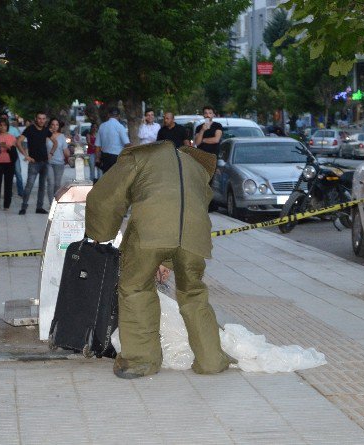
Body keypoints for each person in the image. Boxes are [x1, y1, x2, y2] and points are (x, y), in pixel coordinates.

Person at [85, 140, 232, 379]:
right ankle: (212, 360)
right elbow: (186, 212)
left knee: (135, 289)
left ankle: (140, 361)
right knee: (193, 294)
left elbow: (104, 197)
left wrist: (99, 235)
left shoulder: (140, 157)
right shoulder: (196, 168)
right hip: (195, 237)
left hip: (149, 233)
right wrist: (168, 261)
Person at [16, 111, 54, 215]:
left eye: (43, 118)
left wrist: (51, 153)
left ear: (45, 119)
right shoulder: (30, 129)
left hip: (45, 162)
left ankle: (39, 207)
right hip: (34, 163)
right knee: (29, 186)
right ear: (36, 119)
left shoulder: (46, 130)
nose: (41, 120)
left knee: (42, 186)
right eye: (39, 118)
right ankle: (23, 207)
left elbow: (55, 142)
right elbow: (18, 142)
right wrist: (26, 156)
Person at [0, 118, 17, 211]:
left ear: (7, 126)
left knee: (8, 184)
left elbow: (14, 151)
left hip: (9, 163)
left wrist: (7, 147)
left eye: (5, 125)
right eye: (1, 125)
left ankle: (7, 205)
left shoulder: (12, 137)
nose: (3, 127)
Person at [95, 107, 130, 174]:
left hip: (105, 157)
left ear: (108, 115)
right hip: (117, 157)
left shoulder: (102, 126)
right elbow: (127, 143)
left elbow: (97, 146)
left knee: (107, 178)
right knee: (117, 178)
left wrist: (97, 159)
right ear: (119, 116)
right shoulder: (120, 126)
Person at [46, 118, 69, 204]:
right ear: (50, 125)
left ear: (59, 126)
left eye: (57, 125)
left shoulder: (62, 136)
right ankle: (50, 203)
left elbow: (65, 150)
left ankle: (55, 201)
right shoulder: (46, 136)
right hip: (48, 163)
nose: (55, 127)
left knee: (57, 184)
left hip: (59, 163)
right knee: (50, 183)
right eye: (53, 124)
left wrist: (69, 156)